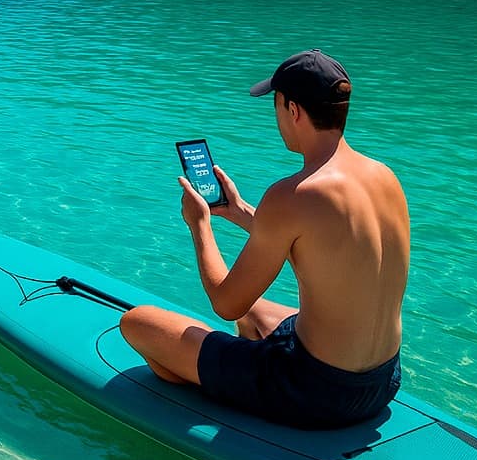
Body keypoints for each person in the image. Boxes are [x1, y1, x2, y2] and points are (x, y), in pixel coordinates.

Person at [120, 49, 409, 430]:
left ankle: (217, 383)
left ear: (293, 110)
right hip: (382, 381)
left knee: (137, 323)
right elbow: (328, 254)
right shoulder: (384, 178)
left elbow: (224, 301)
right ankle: (232, 366)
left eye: (275, 104)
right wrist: (240, 211)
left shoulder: (293, 195)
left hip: (315, 392)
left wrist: (200, 224)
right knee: (251, 312)